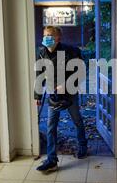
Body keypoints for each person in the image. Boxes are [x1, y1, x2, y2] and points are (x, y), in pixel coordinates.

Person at [34, 26, 88, 172]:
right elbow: (39, 75)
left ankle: (83, 147)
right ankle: (51, 160)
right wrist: (37, 95)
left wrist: (67, 84)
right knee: (51, 126)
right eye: (45, 34)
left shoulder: (71, 52)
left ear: (58, 38)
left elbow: (82, 72)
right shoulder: (41, 53)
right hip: (53, 96)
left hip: (70, 93)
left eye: (50, 35)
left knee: (77, 121)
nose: (46, 37)